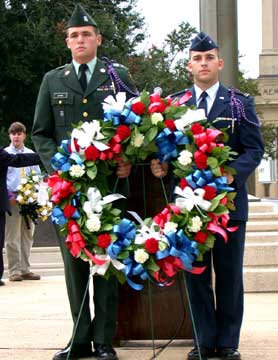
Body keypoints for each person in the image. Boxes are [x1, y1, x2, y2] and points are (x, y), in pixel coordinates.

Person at [32, 4, 138, 360]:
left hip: (109, 187)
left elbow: (137, 128)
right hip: (68, 189)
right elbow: (41, 133)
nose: (81, 40)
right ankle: (79, 340)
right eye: (74, 35)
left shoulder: (117, 75)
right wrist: (59, 167)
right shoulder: (53, 80)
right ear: (68, 42)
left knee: (106, 261)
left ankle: (104, 340)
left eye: (86, 34)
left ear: (98, 39)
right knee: (75, 264)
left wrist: (128, 159)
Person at [152, 31, 264, 360]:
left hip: (228, 205)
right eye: (197, 59)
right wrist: (161, 167)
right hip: (188, 206)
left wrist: (231, 173)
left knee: (229, 275)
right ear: (189, 65)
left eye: (209, 57)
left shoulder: (239, 103)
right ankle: (204, 341)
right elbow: (167, 150)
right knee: (196, 275)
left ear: (220, 62)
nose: (203, 63)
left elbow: (254, 150)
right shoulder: (175, 105)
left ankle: (228, 342)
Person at [5, 122, 41, 282]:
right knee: (12, 237)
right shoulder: (5, 154)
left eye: (19, 133)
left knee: (28, 235)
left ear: (24, 135)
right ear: (9, 136)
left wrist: (34, 194)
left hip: (29, 200)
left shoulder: (30, 153)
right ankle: (14, 271)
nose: (16, 136)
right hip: (12, 199)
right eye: (13, 133)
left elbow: (37, 176)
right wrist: (8, 195)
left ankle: (26, 269)